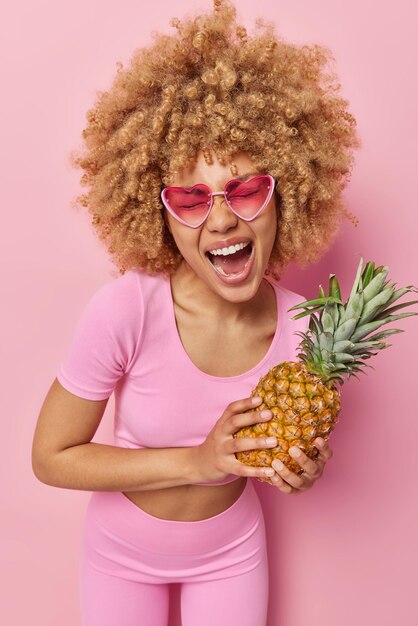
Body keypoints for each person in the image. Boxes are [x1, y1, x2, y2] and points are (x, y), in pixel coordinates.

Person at [31, 1, 360, 624]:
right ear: (156, 212)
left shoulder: (308, 330)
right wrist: (198, 462)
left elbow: (289, 452)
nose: (222, 218)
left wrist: (303, 469)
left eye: (246, 189)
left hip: (231, 553)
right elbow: (50, 457)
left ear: (286, 192)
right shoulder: (127, 309)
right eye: (190, 198)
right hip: (119, 552)